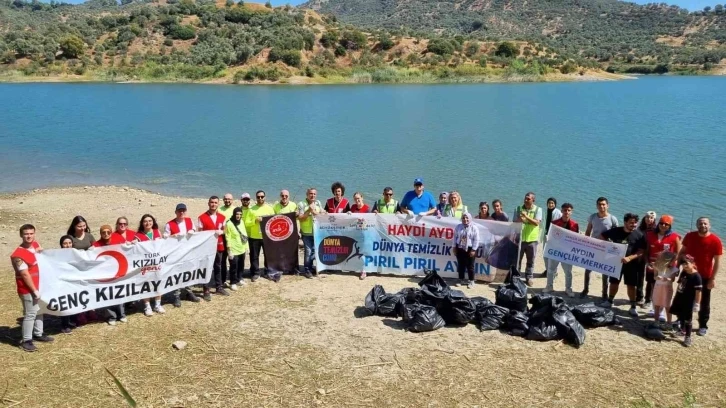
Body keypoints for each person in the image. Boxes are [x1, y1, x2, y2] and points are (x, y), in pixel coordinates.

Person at [11, 224, 53, 352]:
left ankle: (39, 333)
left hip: (39, 285)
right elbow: (24, 274)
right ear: (21, 235)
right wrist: (34, 290)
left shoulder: (35, 245)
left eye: (31, 233)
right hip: (28, 289)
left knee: (39, 310)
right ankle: (27, 340)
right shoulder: (18, 255)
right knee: (30, 314)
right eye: (26, 234)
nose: (29, 236)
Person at [678, 217, 722, 336]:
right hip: (688, 273)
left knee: (704, 302)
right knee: (684, 299)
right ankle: (682, 323)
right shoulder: (690, 236)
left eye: (705, 223)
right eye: (700, 223)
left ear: (709, 225)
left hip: (705, 275)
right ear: (697, 225)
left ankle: (703, 325)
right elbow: (682, 252)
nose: (703, 225)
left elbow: (717, 262)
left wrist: (712, 278)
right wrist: (680, 265)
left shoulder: (715, 240)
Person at [599, 213, 646, 317]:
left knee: (631, 286)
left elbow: (641, 251)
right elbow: (602, 236)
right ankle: (610, 301)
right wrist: (608, 247)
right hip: (617, 263)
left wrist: (629, 258)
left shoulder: (640, 235)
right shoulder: (616, 231)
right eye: (631, 223)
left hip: (632, 264)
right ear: (625, 222)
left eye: (635, 223)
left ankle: (633, 306)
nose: (633, 225)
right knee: (614, 283)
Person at [581, 197, 619, 299]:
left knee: (605, 272)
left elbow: (616, 235)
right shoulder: (593, 217)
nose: (601, 206)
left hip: (606, 249)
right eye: (599, 204)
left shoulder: (612, 219)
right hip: (593, 247)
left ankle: (604, 293)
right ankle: (585, 289)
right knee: (588, 269)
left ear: (607, 205)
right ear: (597, 206)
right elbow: (588, 231)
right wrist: (585, 242)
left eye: (603, 204)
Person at [644, 215, 681, 319]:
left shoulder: (674, 237)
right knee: (653, 287)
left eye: (666, 224)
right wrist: (647, 263)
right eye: (661, 223)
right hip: (653, 266)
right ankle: (653, 307)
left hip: (667, 269)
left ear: (670, 226)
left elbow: (678, 253)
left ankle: (661, 312)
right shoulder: (650, 235)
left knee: (665, 289)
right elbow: (646, 251)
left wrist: (672, 264)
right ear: (658, 223)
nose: (663, 226)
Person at [165, 203, 201, 307]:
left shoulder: (189, 221)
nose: (181, 213)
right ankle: (177, 295)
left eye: (183, 211)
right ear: (176, 212)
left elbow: (194, 229)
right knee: (177, 274)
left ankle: (189, 292)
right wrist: (173, 236)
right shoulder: (169, 224)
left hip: (188, 252)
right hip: (176, 254)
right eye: (179, 211)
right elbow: (165, 239)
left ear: (185, 211)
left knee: (188, 272)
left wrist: (192, 230)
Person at [94, 225, 127, 325]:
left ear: (111, 232)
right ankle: (111, 316)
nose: (106, 234)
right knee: (107, 295)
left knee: (119, 294)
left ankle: (121, 314)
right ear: (100, 233)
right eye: (103, 232)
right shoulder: (96, 245)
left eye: (108, 232)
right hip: (104, 274)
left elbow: (126, 249)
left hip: (117, 272)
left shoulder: (117, 240)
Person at [544, 203, 579, 297]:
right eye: (565, 210)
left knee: (568, 272)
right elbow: (550, 236)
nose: (566, 212)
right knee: (550, 270)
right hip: (555, 250)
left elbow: (576, 239)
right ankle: (549, 286)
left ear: (571, 212)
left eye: (569, 210)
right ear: (561, 211)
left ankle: (568, 288)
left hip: (567, 252)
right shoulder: (554, 223)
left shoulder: (575, 225)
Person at [669, 255, 703, 347]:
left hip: (689, 300)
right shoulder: (684, 273)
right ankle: (681, 330)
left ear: (693, 264)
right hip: (680, 296)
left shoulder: (696, 276)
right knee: (680, 315)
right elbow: (680, 284)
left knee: (688, 319)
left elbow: (698, 292)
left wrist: (697, 304)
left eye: (687, 264)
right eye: (683, 264)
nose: (685, 266)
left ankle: (688, 336)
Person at [198, 196, 227, 298]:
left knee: (218, 266)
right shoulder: (201, 217)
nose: (213, 204)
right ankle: (206, 289)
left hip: (218, 245)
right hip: (206, 247)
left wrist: (222, 232)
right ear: (208, 203)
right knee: (207, 268)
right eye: (212, 202)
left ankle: (219, 287)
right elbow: (200, 233)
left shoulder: (222, 217)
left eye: (215, 202)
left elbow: (225, 230)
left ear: (218, 204)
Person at [135, 214, 165, 316]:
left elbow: (163, 245)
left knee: (158, 283)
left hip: (157, 263)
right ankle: (147, 306)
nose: (148, 223)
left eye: (150, 221)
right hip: (146, 265)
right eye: (145, 221)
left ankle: (157, 304)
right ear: (142, 223)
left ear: (153, 222)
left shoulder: (157, 232)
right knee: (146, 285)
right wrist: (133, 243)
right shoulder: (138, 235)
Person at [513, 192, 542, 286]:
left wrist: (526, 217)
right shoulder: (518, 208)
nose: (526, 200)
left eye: (528, 199)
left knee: (530, 260)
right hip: (520, 239)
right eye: (525, 198)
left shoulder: (538, 209)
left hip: (532, 240)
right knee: (517, 260)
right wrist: (520, 219)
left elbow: (537, 222)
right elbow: (514, 221)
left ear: (533, 200)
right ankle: (516, 277)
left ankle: (528, 277)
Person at [248, 190, 275, 282]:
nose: (260, 198)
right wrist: (255, 220)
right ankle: (255, 273)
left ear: (265, 197)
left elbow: (274, 222)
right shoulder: (251, 209)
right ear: (256, 198)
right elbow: (247, 223)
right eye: (258, 197)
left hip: (266, 236)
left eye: (262, 197)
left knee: (268, 255)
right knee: (254, 256)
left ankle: (267, 272)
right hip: (254, 237)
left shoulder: (270, 209)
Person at [297, 188, 322, 279]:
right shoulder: (301, 204)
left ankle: (311, 267)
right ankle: (307, 269)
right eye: (310, 194)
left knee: (315, 251)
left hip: (316, 232)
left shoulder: (318, 203)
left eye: (314, 194)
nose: (312, 195)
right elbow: (300, 218)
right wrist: (309, 211)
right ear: (307, 194)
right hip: (306, 232)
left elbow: (321, 214)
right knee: (308, 251)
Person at [452, 212, 480, 289]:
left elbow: (476, 239)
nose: (465, 219)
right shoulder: (458, 227)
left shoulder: (474, 227)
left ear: (470, 218)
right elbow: (455, 237)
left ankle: (471, 281)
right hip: (460, 247)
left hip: (470, 248)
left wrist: (474, 250)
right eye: (463, 218)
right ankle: (461, 279)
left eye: (467, 218)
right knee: (461, 264)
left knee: (470, 265)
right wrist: (454, 247)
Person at [224, 207, 248, 291]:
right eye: (237, 214)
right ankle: (233, 282)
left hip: (242, 248)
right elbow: (228, 237)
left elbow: (244, 233)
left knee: (241, 265)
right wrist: (229, 250)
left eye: (240, 214)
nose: (239, 216)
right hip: (233, 249)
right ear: (234, 214)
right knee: (233, 267)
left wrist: (246, 247)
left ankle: (239, 279)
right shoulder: (229, 223)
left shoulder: (241, 222)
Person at [58, 235, 76, 333]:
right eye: (65, 243)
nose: (68, 245)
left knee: (73, 302)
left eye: (69, 243)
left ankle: (72, 321)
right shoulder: (57, 255)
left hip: (73, 282)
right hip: (63, 283)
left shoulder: (76, 254)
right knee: (65, 304)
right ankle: (64, 325)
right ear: (61, 245)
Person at [540, 197, 562, 277]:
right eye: (549, 203)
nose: (551, 204)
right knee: (545, 254)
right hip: (546, 235)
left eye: (552, 203)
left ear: (555, 204)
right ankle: (548, 270)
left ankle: (554, 272)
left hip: (555, 237)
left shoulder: (558, 213)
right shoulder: (545, 212)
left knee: (553, 255)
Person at [219, 193, 236, 286]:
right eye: (225, 199)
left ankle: (233, 280)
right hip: (222, 238)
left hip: (233, 238)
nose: (227, 201)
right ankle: (223, 280)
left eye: (229, 199)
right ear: (223, 200)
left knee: (233, 259)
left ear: (232, 200)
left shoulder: (235, 210)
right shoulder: (219, 210)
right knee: (222, 260)